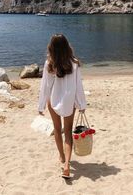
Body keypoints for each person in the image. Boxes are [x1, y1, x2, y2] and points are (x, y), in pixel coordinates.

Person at [38, 34, 87, 179]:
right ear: (67, 46)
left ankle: (61, 156)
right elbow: (78, 86)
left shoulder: (49, 64)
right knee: (68, 132)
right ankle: (66, 165)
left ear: (51, 48)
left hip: (53, 101)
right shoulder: (74, 63)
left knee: (57, 130)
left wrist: (41, 106)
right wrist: (81, 104)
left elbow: (45, 87)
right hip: (69, 102)